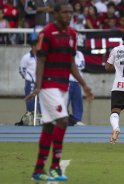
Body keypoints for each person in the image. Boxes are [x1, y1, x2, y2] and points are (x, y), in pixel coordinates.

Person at [26, 2, 94, 181]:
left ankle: (38, 169)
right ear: (56, 14)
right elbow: (40, 60)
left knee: (49, 126)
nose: (68, 15)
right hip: (48, 85)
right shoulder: (47, 33)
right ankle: (55, 166)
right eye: (64, 12)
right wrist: (38, 86)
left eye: (70, 12)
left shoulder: (72, 34)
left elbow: (71, 63)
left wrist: (84, 84)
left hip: (63, 85)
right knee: (63, 120)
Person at [18, 39, 41, 126]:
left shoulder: (41, 56)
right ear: (33, 46)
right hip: (30, 81)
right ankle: (30, 117)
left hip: (39, 82)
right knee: (30, 100)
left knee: (40, 100)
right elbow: (21, 70)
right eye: (37, 46)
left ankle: (40, 118)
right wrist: (28, 78)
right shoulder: (26, 57)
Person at [68, 50, 85, 126]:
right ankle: (61, 120)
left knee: (78, 102)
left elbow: (81, 66)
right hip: (67, 80)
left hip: (77, 81)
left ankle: (77, 120)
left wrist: (73, 65)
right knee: (64, 102)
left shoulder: (79, 53)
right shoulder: (66, 52)